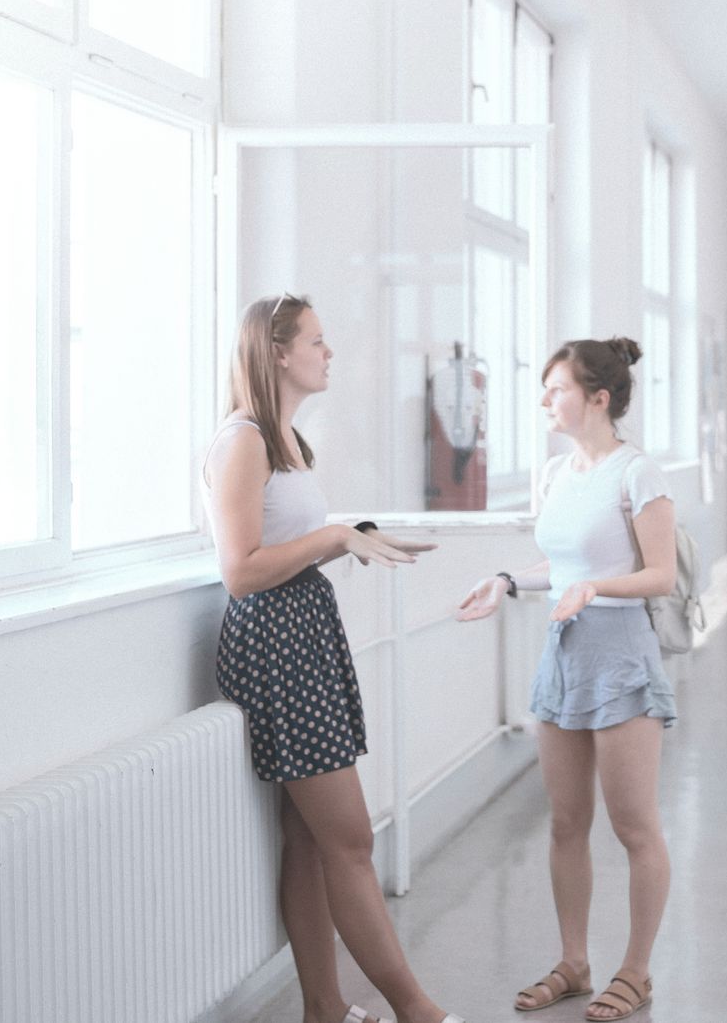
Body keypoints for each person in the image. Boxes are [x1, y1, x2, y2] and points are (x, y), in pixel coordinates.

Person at [203, 293, 469, 1023]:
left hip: (301, 636)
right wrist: (334, 536)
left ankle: (324, 1008)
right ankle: (418, 1010)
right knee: (349, 839)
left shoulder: (285, 439)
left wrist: (352, 533)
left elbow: (284, 540)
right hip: (277, 645)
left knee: (312, 839)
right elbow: (241, 569)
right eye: (318, 342)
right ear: (278, 352)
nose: (330, 354)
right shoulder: (244, 439)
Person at [457, 338, 676, 1023]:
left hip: (620, 656)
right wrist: (505, 581)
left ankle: (636, 972)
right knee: (564, 823)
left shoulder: (636, 473)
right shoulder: (556, 474)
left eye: (557, 389)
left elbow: (660, 575)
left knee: (634, 825)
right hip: (564, 654)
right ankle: (574, 961)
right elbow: (556, 566)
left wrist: (591, 588)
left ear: (598, 398)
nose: (546, 400)